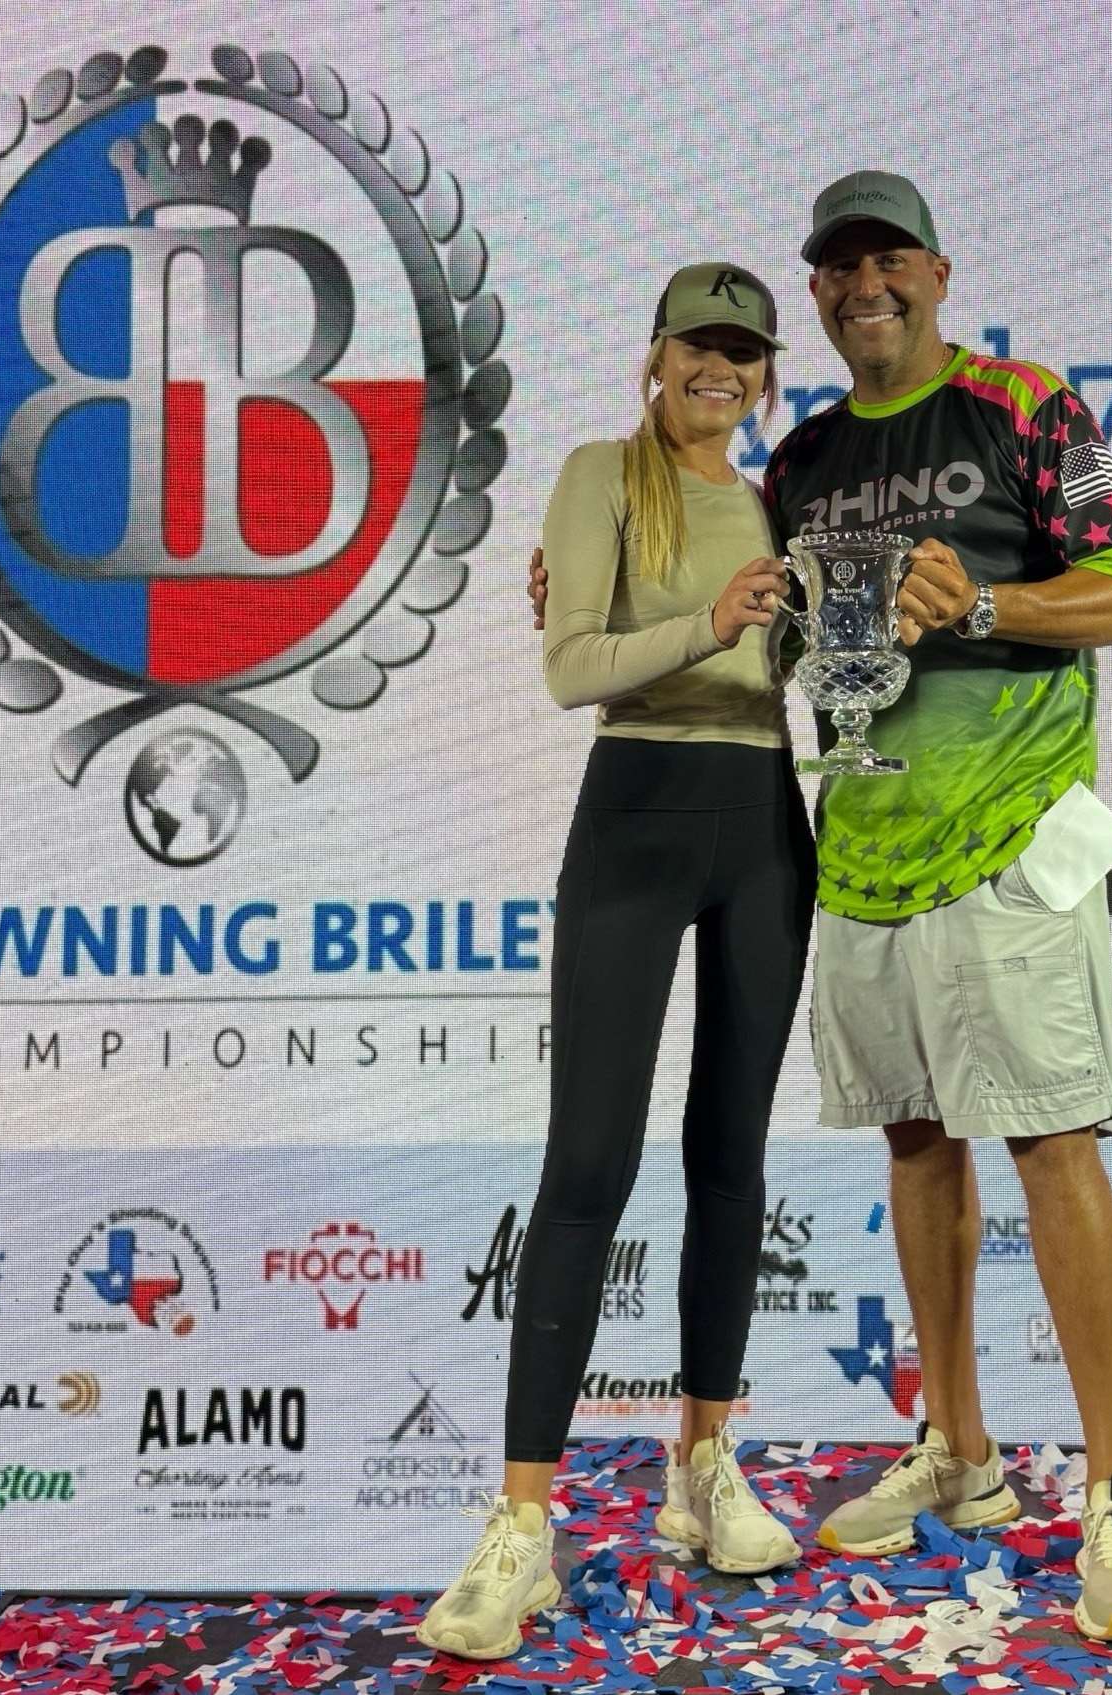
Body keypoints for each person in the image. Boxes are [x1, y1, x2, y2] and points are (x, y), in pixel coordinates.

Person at [529, 177, 1112, 1643]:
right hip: (862, 846)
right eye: (834, 268)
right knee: (912, 1139)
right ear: (811, 301)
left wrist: (985, 610)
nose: (860, 284)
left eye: (885, 258)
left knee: (1050, 1138)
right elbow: (739, 592)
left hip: (1011, 839)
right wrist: (580, 587)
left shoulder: (1024, 406)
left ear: (936, 273)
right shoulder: (805, 456)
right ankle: (959, 1445)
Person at [419, 262, 810, 1662]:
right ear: (654, 359)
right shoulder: (602, 474)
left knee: (731, 1160)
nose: (721, 371)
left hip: (768, 820)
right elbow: (570, 666)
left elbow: (817, 666)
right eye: (699, 348)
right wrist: (707, 625)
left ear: (766, 372)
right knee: (587, 1163)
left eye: (744, 352)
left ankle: (703, 1463)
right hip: (638, 814)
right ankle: (522, 1527)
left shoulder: (782, 499)